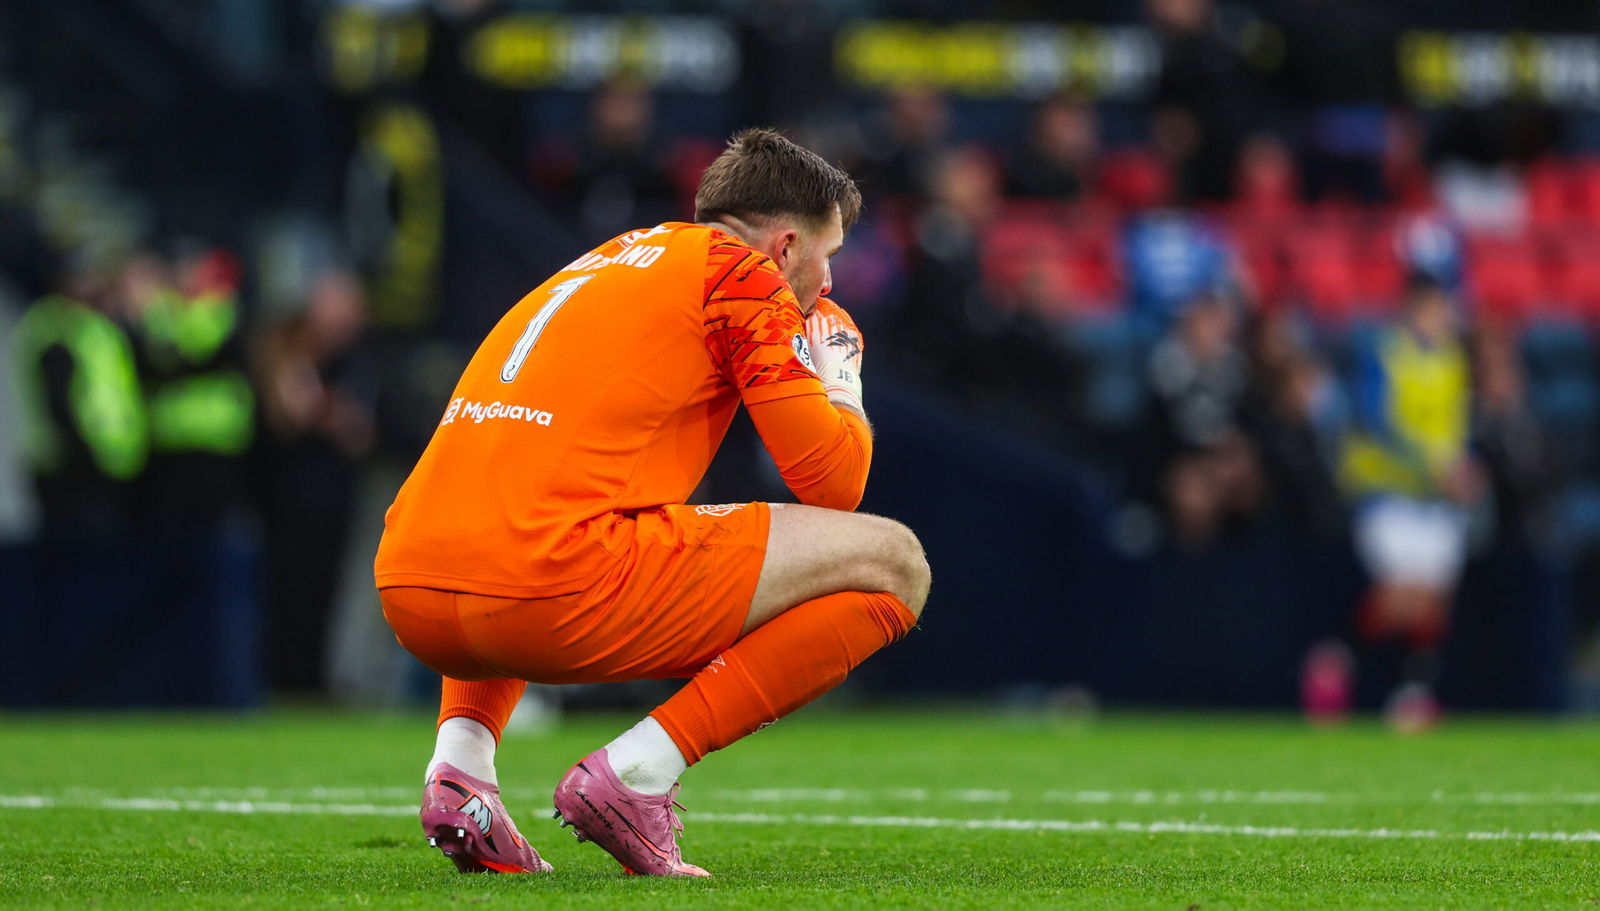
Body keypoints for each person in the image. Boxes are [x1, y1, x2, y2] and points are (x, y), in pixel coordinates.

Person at [373, 129, 930, 877]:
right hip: (542, 589)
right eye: (828, 255)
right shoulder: (746, 275)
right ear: (787, 245)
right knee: (894, 563)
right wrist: (841, 376)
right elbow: (833, 483)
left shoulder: (612, 256)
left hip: (413, 580)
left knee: (533, 495)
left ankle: (462, 767)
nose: (828, 284)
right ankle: (640, 771)